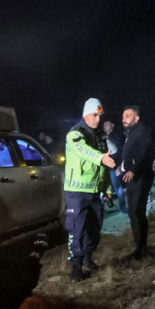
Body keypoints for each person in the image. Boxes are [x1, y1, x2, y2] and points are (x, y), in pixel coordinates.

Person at [64, 98, 115, 281]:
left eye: (100, 115)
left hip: (95, 191)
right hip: (77, 192)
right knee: (76, 229)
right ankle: (76, 266)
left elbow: (104, 166)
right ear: (86, 114)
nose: (98, 119)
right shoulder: (75, 134)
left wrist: (108, 188)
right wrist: (101, 158)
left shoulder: (100, 135)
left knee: (94, 228)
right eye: (95, 115)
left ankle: (87, 258)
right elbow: (85, 151)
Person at [120, 105, 155, 259]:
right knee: (133, 212)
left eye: (127, 116)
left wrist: (133, 170)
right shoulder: (131, 133)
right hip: (131, 178)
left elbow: (146, 154)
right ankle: (139, 247)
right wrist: (122, 167)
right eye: (123, 117)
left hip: (141, 177)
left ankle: (142, 249)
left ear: (136, 118)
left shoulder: (142, 132)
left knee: (137, 212)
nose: (124, 119)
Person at [103, 120, 127, 214]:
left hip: (113, 165)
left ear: (113, 125)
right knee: (104, 189)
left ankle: (122, 208)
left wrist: (119, 166)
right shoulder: (102, 137)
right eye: (104, 124)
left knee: (118, 188)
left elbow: (120, 151)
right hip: (105, 167)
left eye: (107, 124)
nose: (104, 125)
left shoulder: (116, 136)